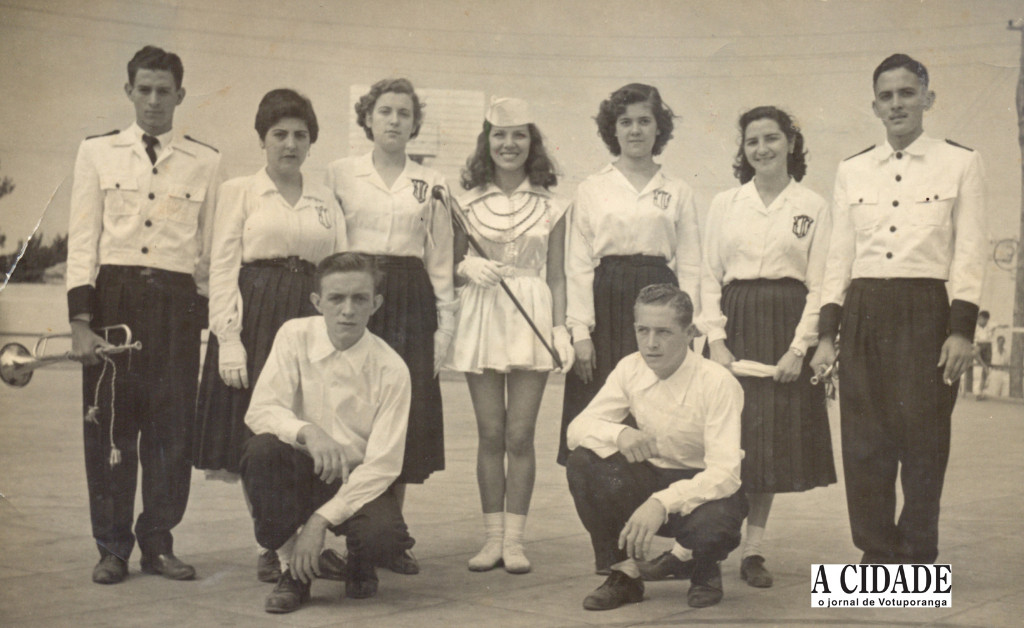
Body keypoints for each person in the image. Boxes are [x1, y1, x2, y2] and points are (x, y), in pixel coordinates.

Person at [641, 106, 835, 587]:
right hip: (736, 324)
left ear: (791, 143)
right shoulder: (727, 203)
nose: (762, 149)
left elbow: (822, 283)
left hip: (785, 326)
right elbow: (708, 276)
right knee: (731, 439)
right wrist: (717, 343)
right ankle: (704, 551)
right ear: (743, 151)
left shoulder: (812, 205)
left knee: (766, 450)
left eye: (772, 138)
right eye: (752, 142)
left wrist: (799, 349)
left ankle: (753, 551)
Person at [810, 54, 987, 564]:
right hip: (864, 309)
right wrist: (827, 334)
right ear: (874, 105)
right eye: (886, 96)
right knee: (864, 444)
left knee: (924, 441)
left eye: (907, 93)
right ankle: (876, 552)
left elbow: (971, 252)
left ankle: (916, 552)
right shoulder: (852, 169)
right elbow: (838, 259)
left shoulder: (961, 162)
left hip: (925, 311)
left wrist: (961, 331)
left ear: (928, 99)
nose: (897, 104)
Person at [66, 45, 221, 584]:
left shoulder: (207, 161)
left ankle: (158, 541)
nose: (154, 100)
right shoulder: (97, 152)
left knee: (171, 431)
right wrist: (81, 319)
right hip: (114, 300)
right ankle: (112, 547)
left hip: (177, 307)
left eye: (164, 91)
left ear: (180, 95)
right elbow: (83, 241)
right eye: (144, 89)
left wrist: (200, 315)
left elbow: (209, 253)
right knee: (109, 429)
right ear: (128, 91)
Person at [194, 89, 347, 583]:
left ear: (311, 142)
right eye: (279, 134)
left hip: (311, 318)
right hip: (257, 320)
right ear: (262, 138)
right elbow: (221, 269)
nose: (290, 144)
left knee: (307, 424)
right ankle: (276, 543)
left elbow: (341, 265)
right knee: (257, 435)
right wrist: (229, 338)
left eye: (300, 135)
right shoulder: (240, 190)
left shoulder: (325, 196)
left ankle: (303, 534)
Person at [325, 78, 456, 575]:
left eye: (404, 113)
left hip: (410, 296)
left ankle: (390, 536)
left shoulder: (433, 181)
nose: (395, 120)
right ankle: (348, 527)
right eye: (385, 111)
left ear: (415, 123)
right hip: (358, 292)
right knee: (351, 408)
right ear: (368, 118)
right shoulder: (341, 172)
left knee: (399, 417)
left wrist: (444, 326)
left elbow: (440, 257)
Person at [241, 252, 415, 614]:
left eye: (359, 299)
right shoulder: (294, 335)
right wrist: (308, 432)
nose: (347, 310)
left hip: (356, 480)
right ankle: (294, 571)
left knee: (384, 538)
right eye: (336, 298)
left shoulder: (392, 368)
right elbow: (261, 411)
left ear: (376, 304)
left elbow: (383, 466)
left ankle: (358, 561)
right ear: (318, 302)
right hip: (300, 469)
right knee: (261, 452)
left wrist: (320, 521)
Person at [445, 97, 574, 574]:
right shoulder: (464, 201)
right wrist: (468, 265)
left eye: (519, 134)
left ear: (532, 143)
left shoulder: (552, 205)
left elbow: (558, 275)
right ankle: (491, 538)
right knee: (490, 432)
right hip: (482, 312)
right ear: (487, 141)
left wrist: (560, 328)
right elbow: (451, 267)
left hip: (531, 312)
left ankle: (515, 541)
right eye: (499, 134)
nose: (509, 143)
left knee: (520, 434)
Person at [565, 284, 747, 611]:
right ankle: (624, 575)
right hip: (650, 480)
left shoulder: (718, 382)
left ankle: (704, 567)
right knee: (583, 462)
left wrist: (662, 502)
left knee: (716, 521)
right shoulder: (630, 368)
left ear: (689, 332)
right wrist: (619, 433)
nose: (650, 343)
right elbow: (576, 429)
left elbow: (726, 474)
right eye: (642, 330)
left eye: (663, 332)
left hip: (702, 490)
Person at [559, 83, 701, 477]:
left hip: (660, 298)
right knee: (602, 412)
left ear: (659, 129)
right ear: (613, 130)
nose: (635, 130)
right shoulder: (592, 187)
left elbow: (691, 264)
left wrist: (690, 328)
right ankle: (608, 526)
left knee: (657, 408)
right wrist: (580, 333)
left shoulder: (677, 190)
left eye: (644, 121)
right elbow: (578, 265)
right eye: (626, 122)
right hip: (606, 302)